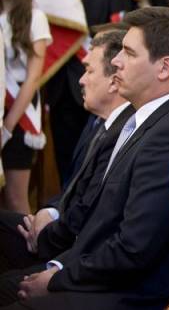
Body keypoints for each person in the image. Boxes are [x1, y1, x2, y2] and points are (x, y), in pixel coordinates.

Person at [0, 7, 169, 309]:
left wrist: (57, 277)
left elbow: (134, 248)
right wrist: (59, 267)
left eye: (129, 53)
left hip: (131, 295)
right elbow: (100, 224)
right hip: (103, 274)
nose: (116, 61)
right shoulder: (150, 121)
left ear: (164, 68)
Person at [0, 29, 133, 276]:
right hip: (60, 229)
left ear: (114, 81)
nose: (81, 80)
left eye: (89, 71)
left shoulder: (123, 132)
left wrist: (44, 236)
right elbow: (72, 187)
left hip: (73, 251)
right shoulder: (96, 122)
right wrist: (47, 212)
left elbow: (94, 214)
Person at [45, 0, 133, 183]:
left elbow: (119, 36)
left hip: (101, 84)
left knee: (93, 164)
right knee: (65, 164)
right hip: (62, 87)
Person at [0, 0, 52, 215]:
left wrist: (7, 126)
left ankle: (30, 243)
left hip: (19, 112)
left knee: (15, 199)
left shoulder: (35, 17)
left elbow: (33, 76)